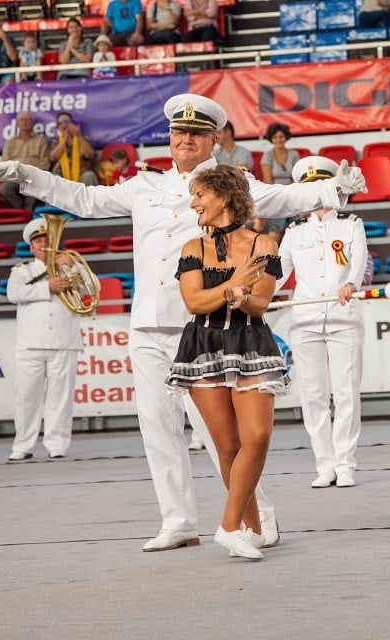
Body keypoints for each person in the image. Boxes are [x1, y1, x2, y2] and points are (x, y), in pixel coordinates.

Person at [0, 92, 365, 552]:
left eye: (197, 134)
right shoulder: (144, 185)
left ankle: (257, 516)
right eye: (179, 132)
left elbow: (283, 196)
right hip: (147, 323)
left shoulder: (231, 183)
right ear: (169, 137)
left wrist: (333, 189)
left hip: (202, 326)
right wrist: (29, 175)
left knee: (218, 436)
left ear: (213, 141)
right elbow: (84, 198)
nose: (186, 139)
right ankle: (179, 521)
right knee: (157, 427)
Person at [164, 165, 288, 560]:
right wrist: (230, 285)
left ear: (225, 197)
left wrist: (240, 297)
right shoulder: (191, 248)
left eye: (201, 195)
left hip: (251, 339)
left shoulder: (265, 244)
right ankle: (248, 529)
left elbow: (261, 302)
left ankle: (228, 526)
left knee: (258, 437)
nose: (194, 202)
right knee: (228, 447)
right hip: (204, 343)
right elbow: (194, 302)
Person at [275, 156, 368, 489]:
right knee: (313, 396)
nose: (314, 193)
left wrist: (351, 284)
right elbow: (279, 270)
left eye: (320, 186)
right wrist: (260, 293)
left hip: (343, 315)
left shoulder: (350, 223)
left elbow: (358, 260)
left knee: (346, 393)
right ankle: (324, 463)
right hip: (305, 318)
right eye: (308, 187)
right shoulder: (294, 231)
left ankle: (345, 463)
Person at [6, 217, 95, 461]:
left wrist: (73, 268)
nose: (43, 244)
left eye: (47, 239)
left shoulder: (69, 264)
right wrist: (48, 287)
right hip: (31, 343)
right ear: (31, 246)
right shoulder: (22, 271)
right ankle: (22, 445)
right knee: (26, 397)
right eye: (38, 241)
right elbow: (13, 293)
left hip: (64, 340)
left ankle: (57, 444)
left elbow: (92, 287)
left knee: (61, 397)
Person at [0, 112, 50, 211]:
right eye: (22, 120)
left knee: (32, 188)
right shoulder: (10, 142)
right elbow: (5, 163)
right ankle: (21, 211)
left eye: (27, 120)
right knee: (4, 189)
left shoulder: (41, 141)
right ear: (17, 123)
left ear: (32, 123)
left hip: (33, 176)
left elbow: (45, 164)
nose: (24, 122)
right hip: (15, 176)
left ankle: (28, 213)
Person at [49, 112, 98, 187]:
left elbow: (90, 154)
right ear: (58, 127)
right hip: (62, 176)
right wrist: (65, 139)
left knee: (89, 175)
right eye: (60, 123)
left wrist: (78, 135)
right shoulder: (56, 141)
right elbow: (52, 157)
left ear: (72, 123)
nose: (64, 125)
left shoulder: (83, 139)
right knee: (53, 177)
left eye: (66, 121)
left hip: (81, 176)